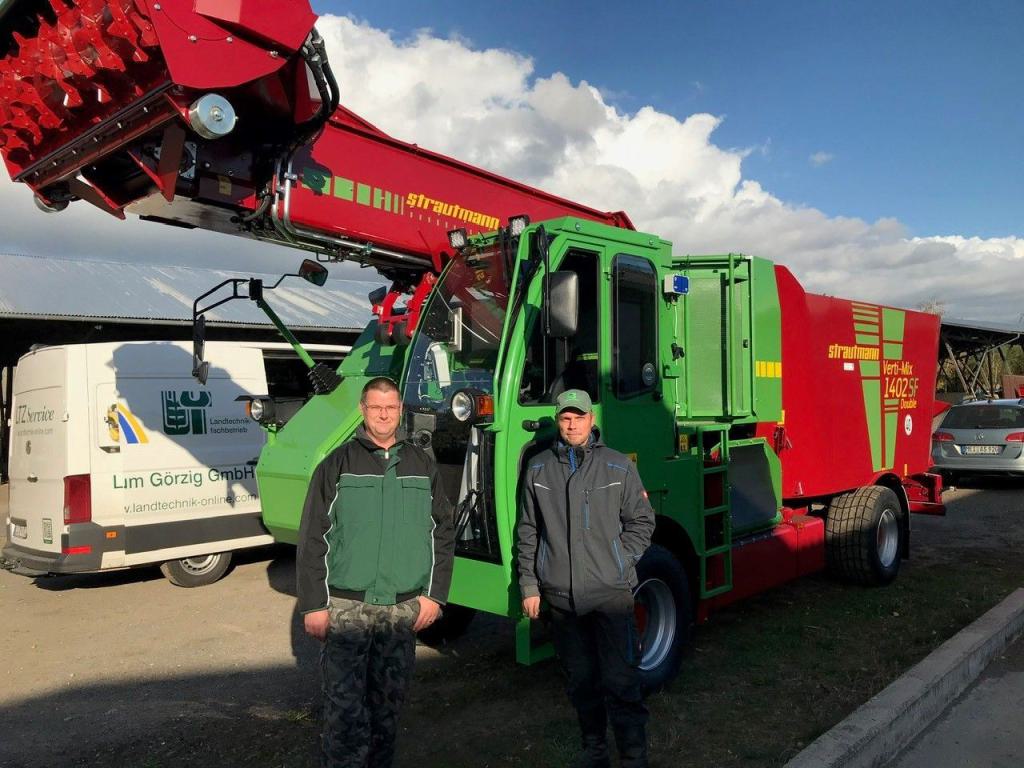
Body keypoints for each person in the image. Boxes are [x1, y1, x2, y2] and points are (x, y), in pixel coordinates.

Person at [296, 376, 454, 768]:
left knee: (388, 706)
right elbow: (313, 537)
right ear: (363, 411)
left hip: (401, 610)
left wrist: (434, 595)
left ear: (400, 410)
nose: (384, 414)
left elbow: (443, 530)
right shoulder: (337, 465)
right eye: (375, 407)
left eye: (391, 407)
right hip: (348, 607)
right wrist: (314, 604)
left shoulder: (421, 464)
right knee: (345, 711)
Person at [517, 389, 656, 768]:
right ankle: (594, 751)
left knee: (621, 680)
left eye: (579, 416)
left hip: (610, 596)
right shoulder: (539, 469)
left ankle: (633, 756)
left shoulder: (617, 467)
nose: (572, 423)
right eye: (565, 417)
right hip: (561, 599)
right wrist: (530, 584)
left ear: (591, 420)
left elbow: (643, 522)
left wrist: (619, 561)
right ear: (558, 420)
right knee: (580, 682)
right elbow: (528, 530)